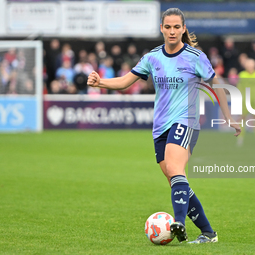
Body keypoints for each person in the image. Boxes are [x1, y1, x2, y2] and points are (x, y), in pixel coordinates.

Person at [87, 8, 241, 244]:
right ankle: (208, 233)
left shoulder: (195, 56)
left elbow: (216, 85)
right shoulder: (152, 57)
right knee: (175, 179)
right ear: (161, 28)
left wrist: (228, 116)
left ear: (183, 29)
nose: (172, 31)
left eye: (176, 27)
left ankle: (178, 222)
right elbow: (126, 81)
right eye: (167, 27)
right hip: (160, 127)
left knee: (175, 168)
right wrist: (101, 83)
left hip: (186, 121)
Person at [236, 58, 255, 146]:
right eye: (248, 65)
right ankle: (240, 139)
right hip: (245, 101)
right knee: (242, 119)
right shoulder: (242, 75)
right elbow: (239, 87)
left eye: (252, 65)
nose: (250, 67)